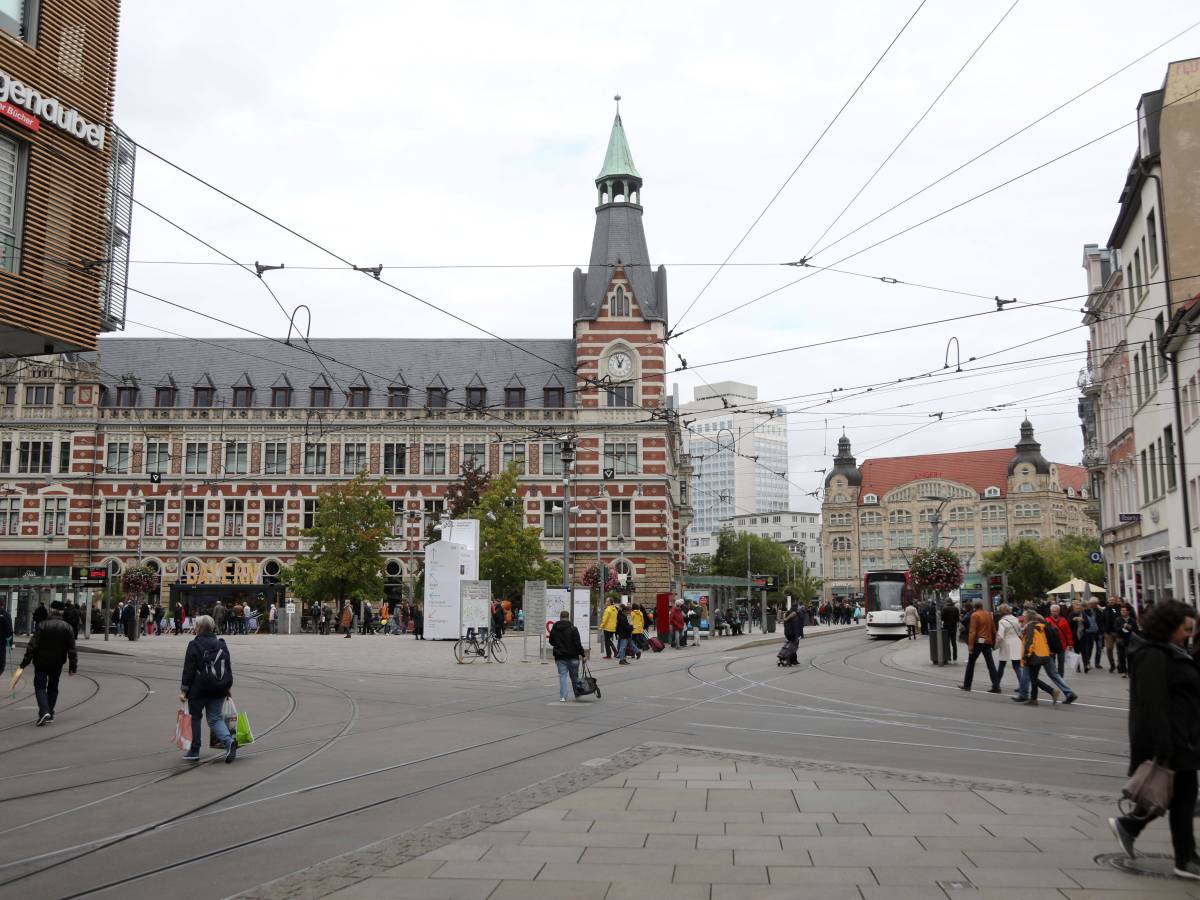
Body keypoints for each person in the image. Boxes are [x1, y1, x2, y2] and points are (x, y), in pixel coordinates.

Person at [1108, 600, 1200, 880]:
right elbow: (1153, 704)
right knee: (1183, 798)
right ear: (1169, 626)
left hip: (1182, 735)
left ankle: (1130, 827)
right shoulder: (1152, 654)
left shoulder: (1169, 649)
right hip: (1173, 738)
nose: (1189, 634)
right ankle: (1185, 859)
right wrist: (1163, 748)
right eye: (1185, 629)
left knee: (1182, 797)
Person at [179, 614, 237, 763]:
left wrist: (184, 690)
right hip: (219, 688)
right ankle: (229, 742)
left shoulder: (194, 645)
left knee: (196, 718)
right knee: (214, 718)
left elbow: (189, 669)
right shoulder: (221, 644)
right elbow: (227, 668)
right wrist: (227, 688)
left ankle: (194, 750)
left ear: (199, 628)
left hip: (199, 690)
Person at [19, 600, 77, 726]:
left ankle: (44, 711)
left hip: (41, 662)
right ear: (62, 611)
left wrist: (24, 663)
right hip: (57, 663)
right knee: (53, 687)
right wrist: (73, 667)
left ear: (51, 610)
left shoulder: (42, 625)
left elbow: (32, 646)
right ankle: (49, 712)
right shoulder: (68, 628)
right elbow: (72, 650)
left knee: (40, 687)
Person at [960, 600, 1000, 693]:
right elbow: (993, 629)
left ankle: (967, 685)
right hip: (987, 642)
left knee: (971, 663)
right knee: (991, 664)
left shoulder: (975, 615)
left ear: (975, 607)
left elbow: (972, 631)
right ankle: (996, 685)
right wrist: (993, 643)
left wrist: (970, 646)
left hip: (978, 642)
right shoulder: (988, 614)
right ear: (982, 606)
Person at [1021, 611, 1059, 706]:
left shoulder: (1030, 627)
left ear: (1028, 618)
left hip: (1034, 656)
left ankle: (1052, 691)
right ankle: (1034, 699)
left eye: (1024, 617)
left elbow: (1030, 642)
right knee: (1034, 677)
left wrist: (1026, 655)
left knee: (1033, 678)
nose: (1023, 619)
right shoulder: (1038, 625)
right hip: (1043, 654)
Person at [548, 609, 586, 702]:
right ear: (568, 618)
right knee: (574, 676)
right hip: (573, 656)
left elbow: (551, 641)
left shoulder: (555, 628)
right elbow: (578, 643)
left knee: (562, 676)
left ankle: (563, 697)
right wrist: (583, 655)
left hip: (560, 657)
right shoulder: (573, 628)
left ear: (560, 617)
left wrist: (558, 645)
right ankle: (577, 693)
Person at [994, 604, 1022, 693]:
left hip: (1006, 643)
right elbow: (1020, 632)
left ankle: (996, 684)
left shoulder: (1002, 621)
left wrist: (996, 646)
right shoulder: (1016, 619)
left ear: (1001, 612)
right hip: (1017, 642)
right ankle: (1022, 685)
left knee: (1002, 665)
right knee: (1016, 665)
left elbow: (1000, 636)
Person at [1046, 604, 1075, 677]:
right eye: (1053, 611)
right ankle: (1054, 675)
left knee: (1061, 662)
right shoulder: (1047, 620)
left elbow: (1068, 633)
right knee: (1052, 663)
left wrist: (1070, 644)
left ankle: (1060, 676)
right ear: (1051, 612)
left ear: (1059, 612)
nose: (1055, 613)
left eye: (1056, 611)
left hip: (1062, 645)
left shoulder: (1063, 620)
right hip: (1051, 646)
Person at [1101, 596, 1122, 673]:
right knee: (1109, 648)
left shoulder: (1117, 608)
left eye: (1113, 600)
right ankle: (1112, 664)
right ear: (1108, 601)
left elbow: (1117, 615)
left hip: (1118, 632)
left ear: (1115, 601)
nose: (1111, 601)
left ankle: (1120, 664)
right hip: (1108, 632)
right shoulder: (1105, 610)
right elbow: (1102, 620)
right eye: (1110, 600)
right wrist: (1104, 630)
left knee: (1119, 649)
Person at [1116, 602, 1137, 676]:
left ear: (1128, 611)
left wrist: (1129, 627)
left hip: (1129, 640)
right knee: (1121, 656)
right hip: (1120, 640)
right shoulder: (1118, 619)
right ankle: (1123, 671)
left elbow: (1135, 630)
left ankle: (1130, 671)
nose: (1122, 612)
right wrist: (1122, 627)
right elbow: (1115, 629)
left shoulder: (1132, 620)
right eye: (1121, 611)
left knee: (1130, 656)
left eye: (1124, 611)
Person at [0, 601, 12, 674]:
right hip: (2, 642)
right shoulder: (6, 614)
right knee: (1, 662)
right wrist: (10, 644)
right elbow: (9, 629)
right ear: (3, 605)